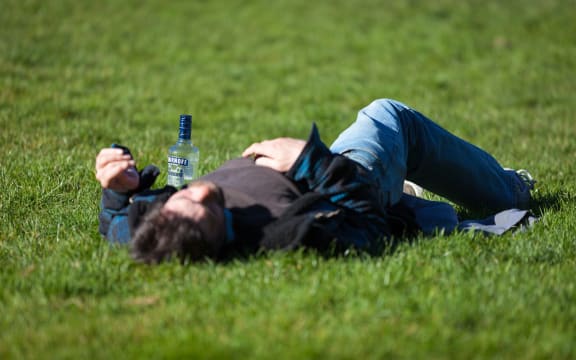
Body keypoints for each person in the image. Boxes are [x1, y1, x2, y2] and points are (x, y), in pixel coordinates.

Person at [95, 99, 535, 263]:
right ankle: (511, 189)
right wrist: (309, 161)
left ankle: (409, 193)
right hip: (346, 176)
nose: (203, 190)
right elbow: (367, 225)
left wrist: (118, 186)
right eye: (210, 209)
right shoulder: (289, 235)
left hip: (323, 171)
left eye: (183, 198)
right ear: (216, 240)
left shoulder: (155, 230)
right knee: (388, 116)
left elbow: (117, 222)